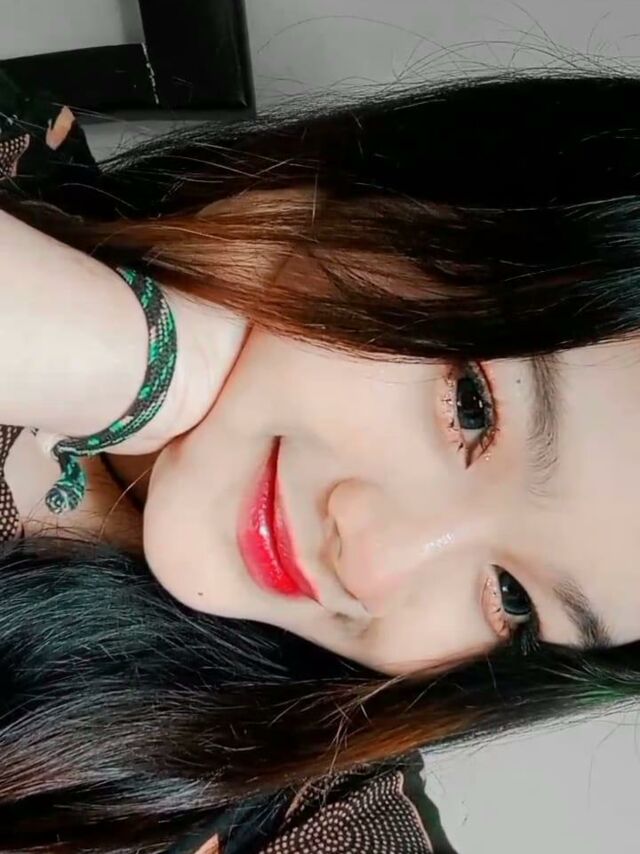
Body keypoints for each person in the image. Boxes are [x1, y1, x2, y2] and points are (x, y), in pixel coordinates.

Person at [1, 68, 639, 851]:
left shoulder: (326, 824)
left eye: (512, 601)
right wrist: (135, 361)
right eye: (471, 407)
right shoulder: (20, 152)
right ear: (386, 194)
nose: (375, 565)